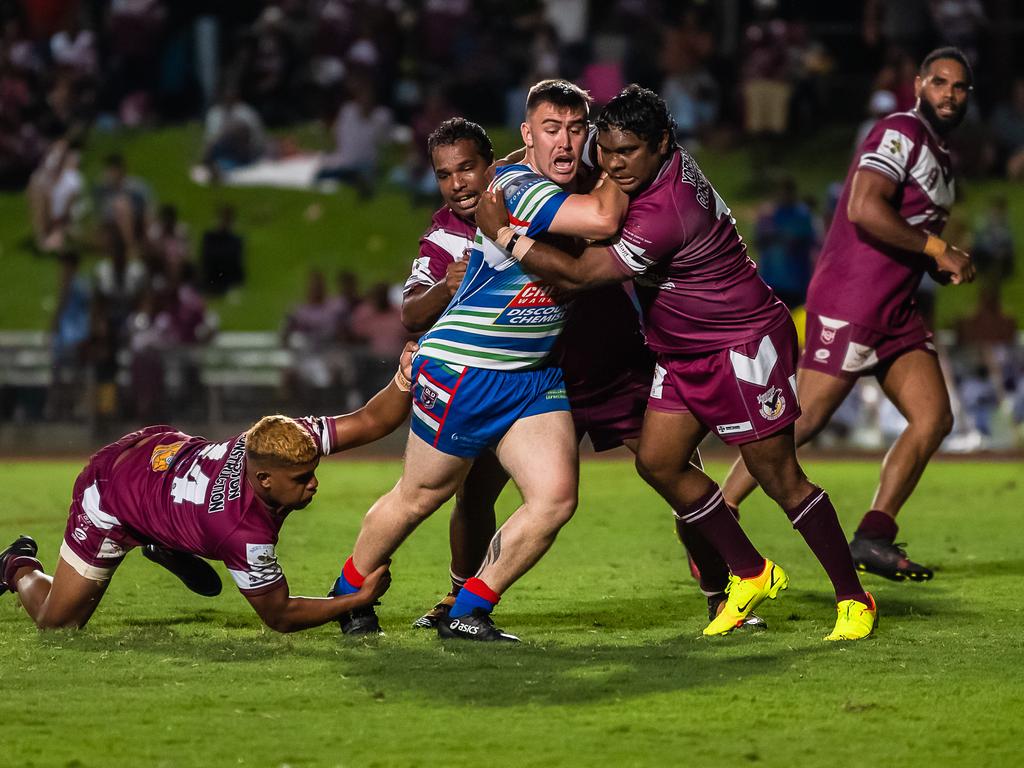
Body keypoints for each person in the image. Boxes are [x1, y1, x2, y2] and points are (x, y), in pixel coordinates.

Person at [475, 84, 875, 641]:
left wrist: (502, 232)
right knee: (659, 462)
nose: (613, 165)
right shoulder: (643, 161)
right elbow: (570, 162)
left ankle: (854, 599)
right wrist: (509, 165)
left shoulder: (665, 213)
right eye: (605, 150)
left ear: (662, 144)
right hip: (682, 348)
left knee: (780, 478)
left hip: (740, 345)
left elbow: (581, 276)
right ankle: (753, 572)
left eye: (627, 153)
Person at [406, 116, 760, 632]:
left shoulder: (571, 188)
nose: (459, 182)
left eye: (467, 169)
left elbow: (613, 227)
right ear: (527, 135)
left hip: (611, 363)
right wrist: (443, 293)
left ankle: (722, 593)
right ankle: (459, 600)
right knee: (477, 490)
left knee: (680, 477)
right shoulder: (446, 229)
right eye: (446, 173)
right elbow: (412, 313)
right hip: (528, 378)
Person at [330, 80, 627, 643]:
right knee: (420, 496)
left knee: (555, 498)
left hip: (533, 375)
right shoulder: (517, 186)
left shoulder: (528, 176)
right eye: (550, 130)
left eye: (574, 129)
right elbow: (603, 222)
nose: (564, 143)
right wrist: (625, 160)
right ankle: (347, 593)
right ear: (526, 138)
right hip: (466, 370)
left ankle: (470, 607)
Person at [721, 48, 976, 583]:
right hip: (854, 296)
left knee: (935, 418)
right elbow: (863, 207)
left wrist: (936, 264)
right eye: (940, 82)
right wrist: (936, 248)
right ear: (919, 84)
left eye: (959, 87)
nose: (949, 93)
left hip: (894, 305)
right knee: (805, 418)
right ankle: (718, 513)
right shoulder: (900, 131)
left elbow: (904, 228)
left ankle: (875, 535)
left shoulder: (943, 154)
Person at [0, 346, 416, 632]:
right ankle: (16, 564)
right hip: (111, 493)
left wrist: (405, 374)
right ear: (264, 479)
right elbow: (280, 615)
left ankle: (165, 542)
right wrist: (356, 600)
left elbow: (370, 422)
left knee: (184, 517)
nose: (314, 484)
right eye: (302, 479)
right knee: (58, 623)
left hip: (159, 459)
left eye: (312, 471)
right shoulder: (242, 533)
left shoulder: (282, 439)